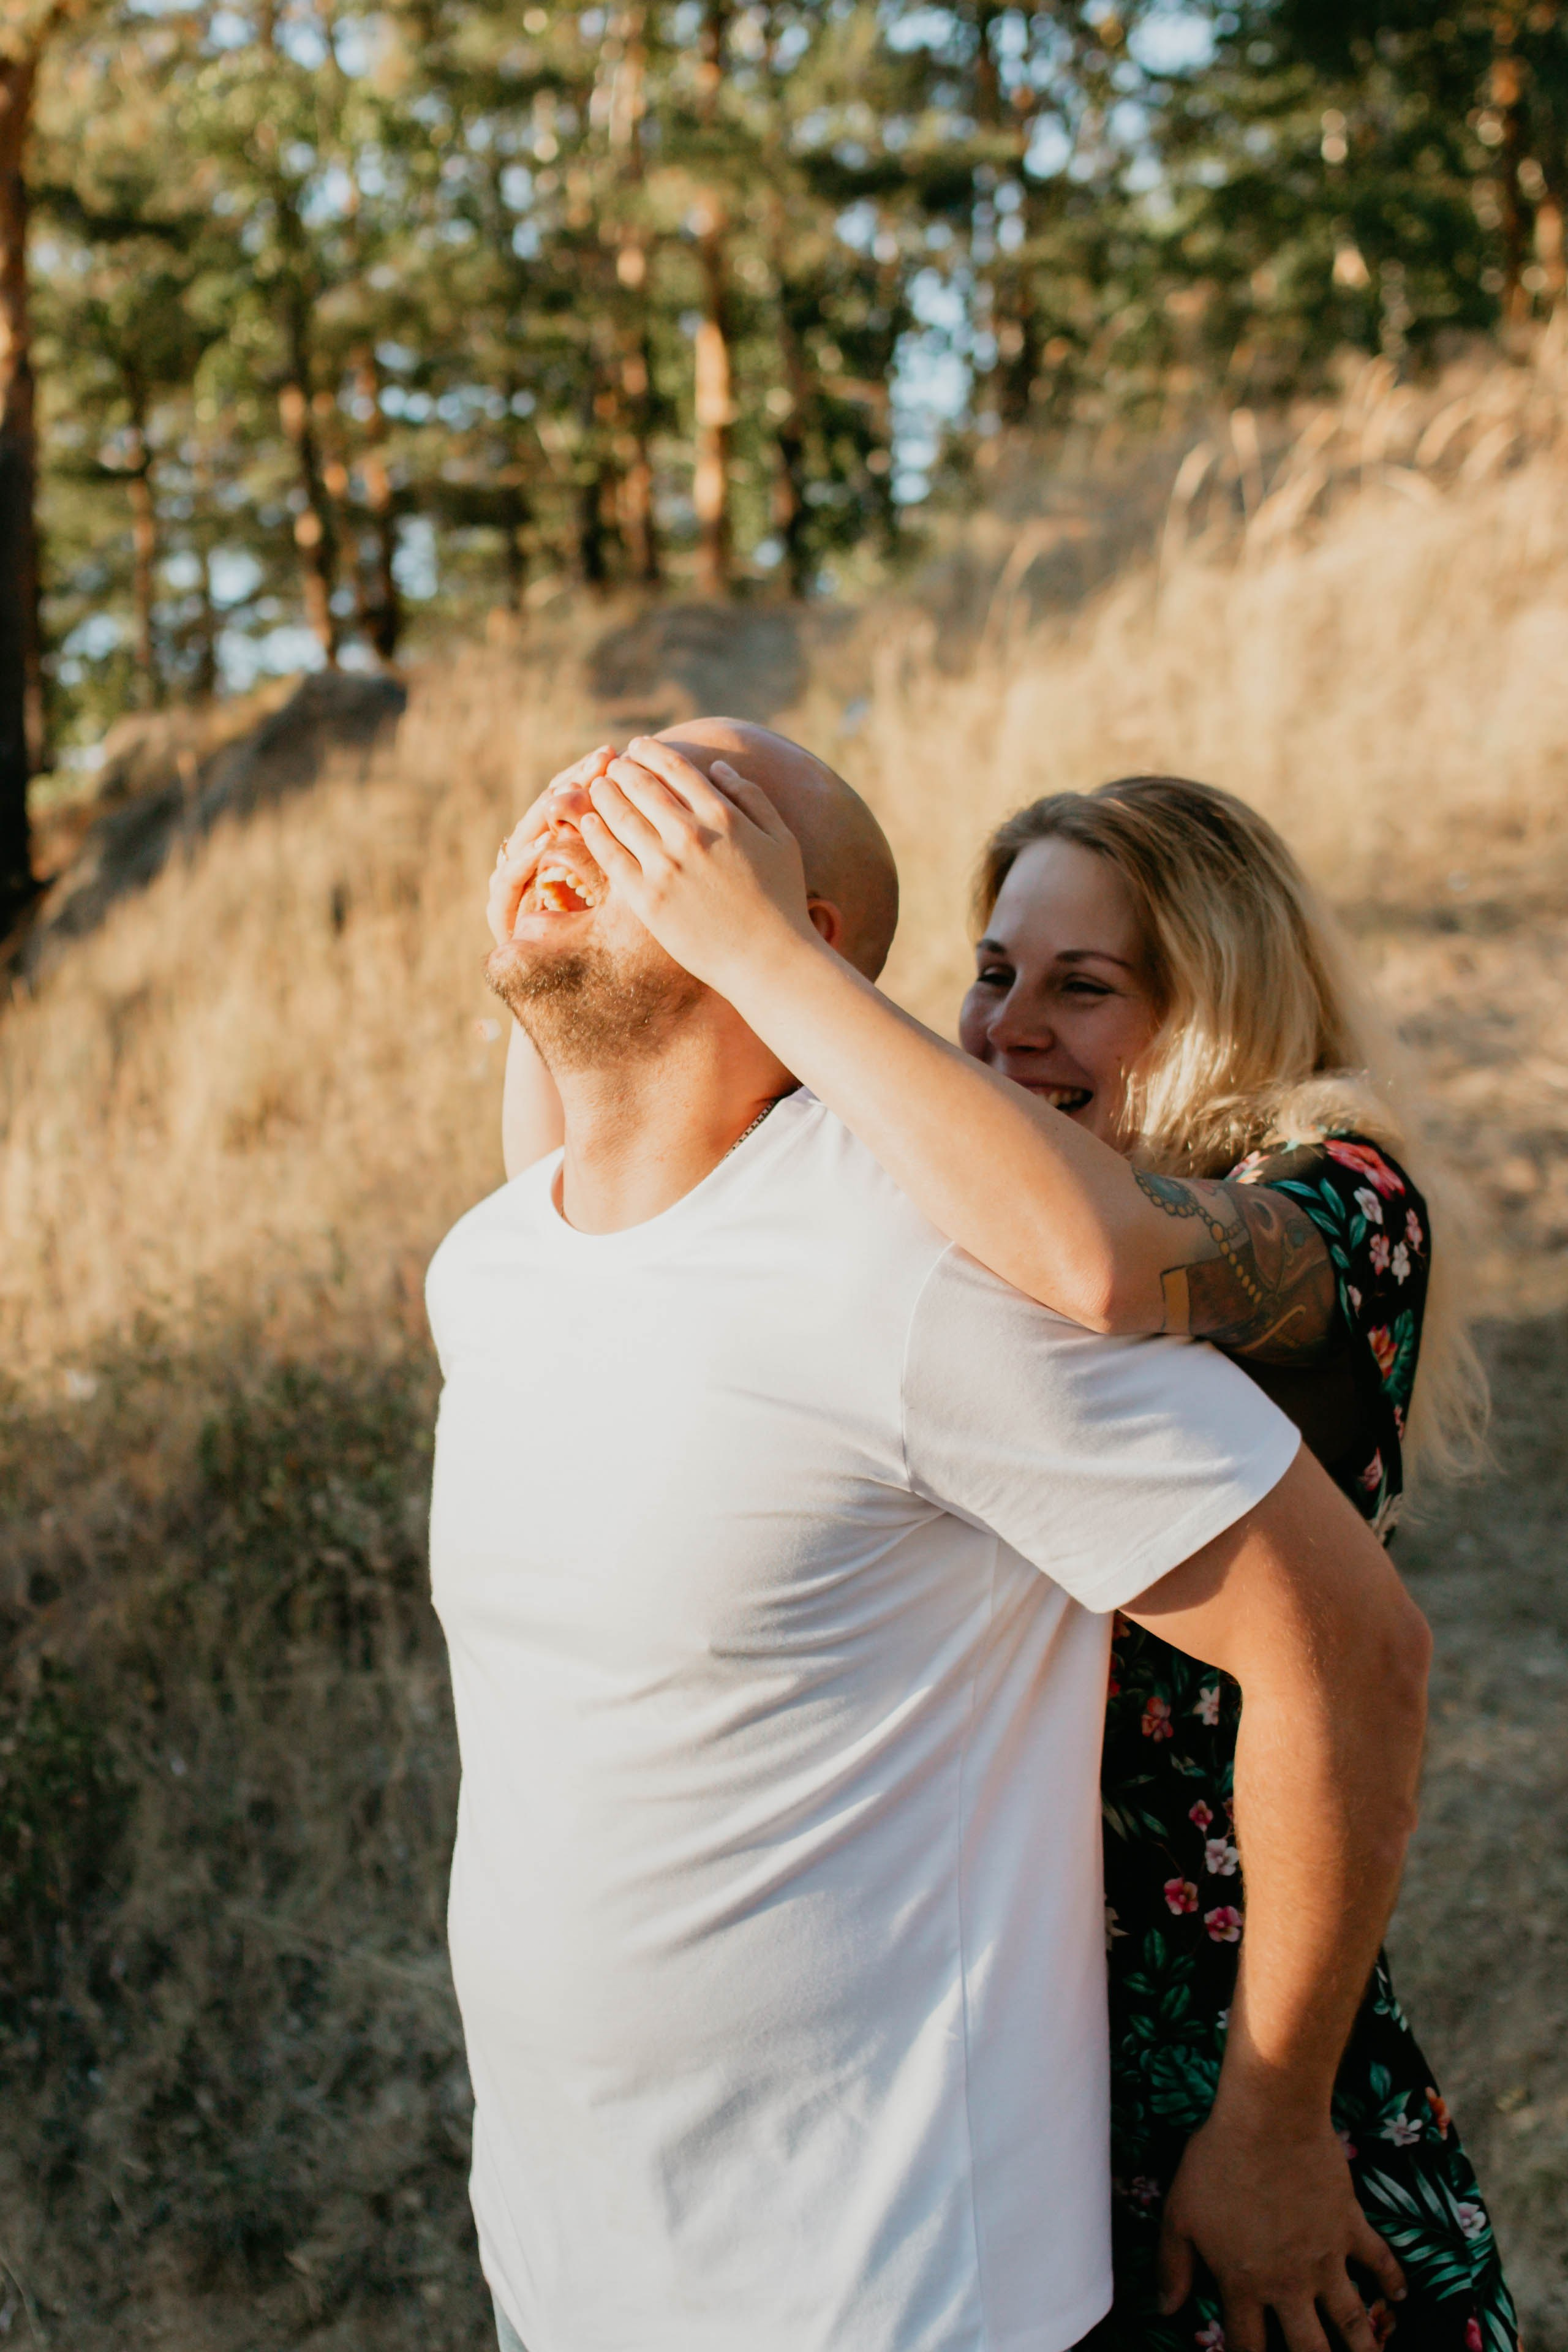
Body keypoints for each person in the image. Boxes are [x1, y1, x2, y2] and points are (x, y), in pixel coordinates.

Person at [487, 728, 1513, 2352]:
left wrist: (762, 950)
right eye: (989, 971)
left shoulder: (1332, 1205)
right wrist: (568, 911)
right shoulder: (986, 1205)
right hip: (991, 2012)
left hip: (1231, 2020)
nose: (1007, 1030)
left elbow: (1104, 1270)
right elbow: (603, 1216)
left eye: (1081, 987)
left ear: (1213, 1007)